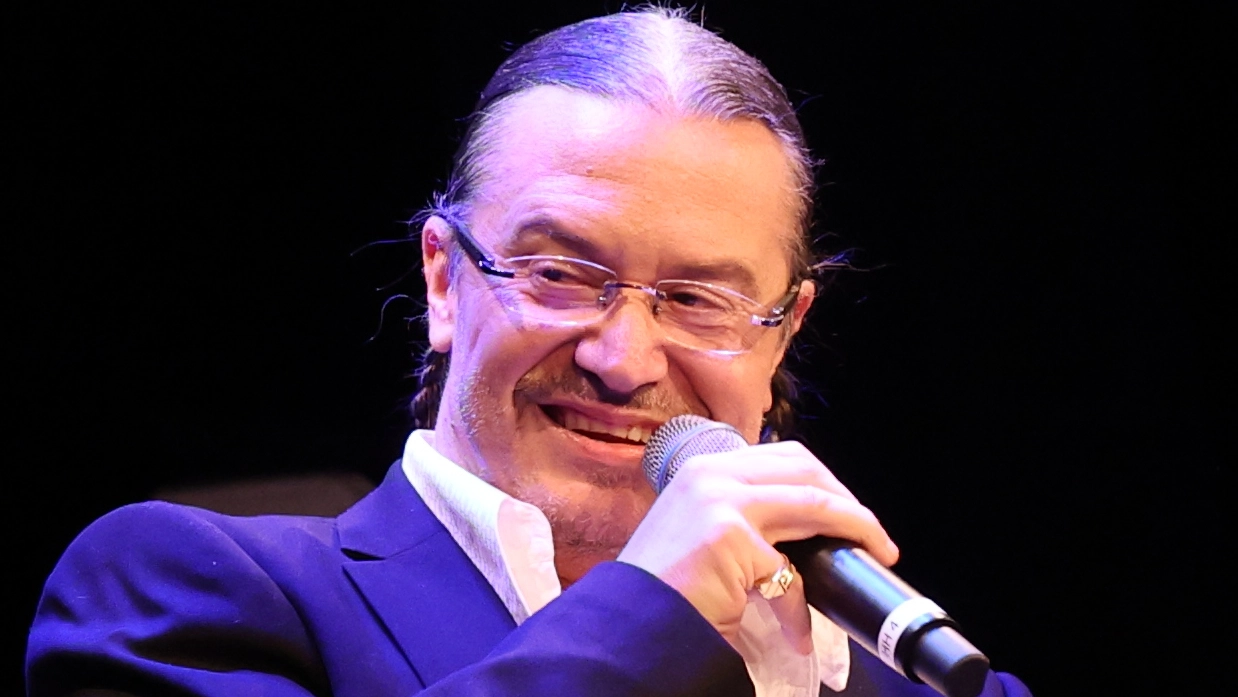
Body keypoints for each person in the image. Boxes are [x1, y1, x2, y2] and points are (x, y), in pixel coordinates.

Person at [26, 8, 1030, 696]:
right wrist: (649, 610)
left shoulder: (923, 679)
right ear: (442, 279)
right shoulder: (186, 590)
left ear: (785, 329)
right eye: (559, 274)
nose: (623, 360)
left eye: (697, 300)